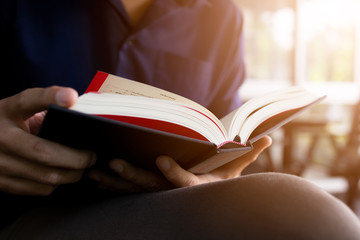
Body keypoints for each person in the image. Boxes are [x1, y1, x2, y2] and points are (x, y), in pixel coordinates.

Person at [0, 0, 360, 239]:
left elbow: (221, 144)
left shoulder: (220, 17)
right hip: (26, 212)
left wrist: (218, 178)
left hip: (168, 209)